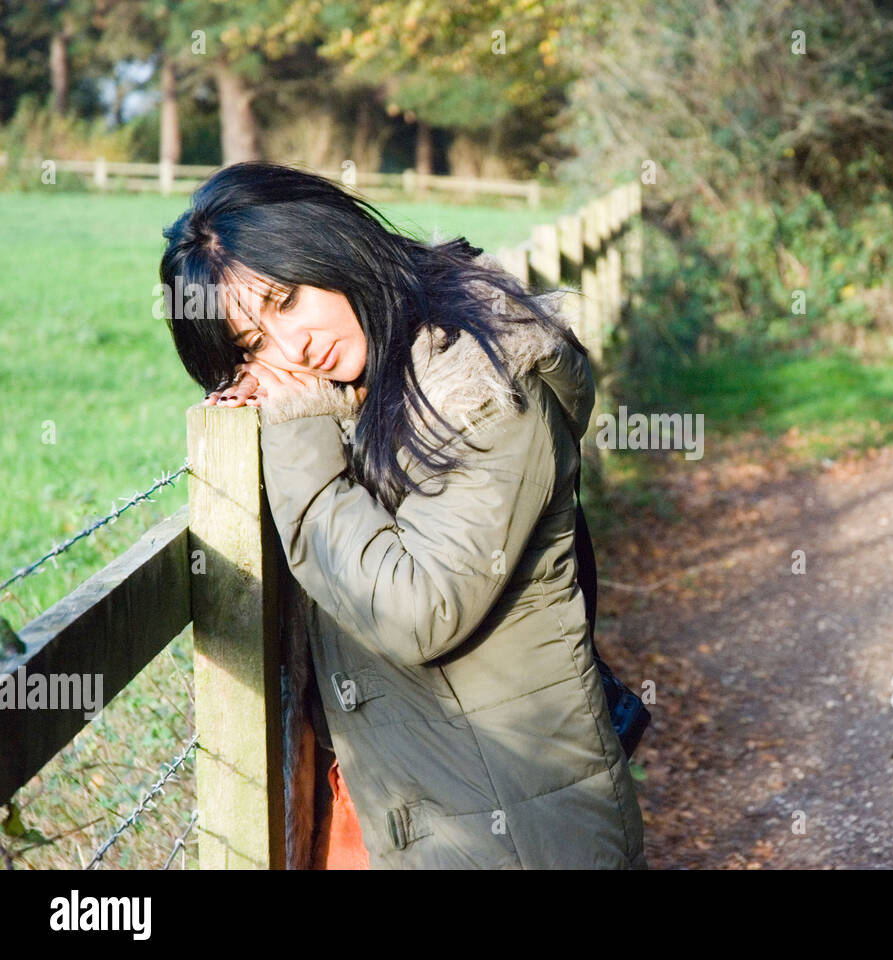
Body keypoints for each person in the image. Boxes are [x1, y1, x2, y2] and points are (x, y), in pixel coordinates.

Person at [159, 161, 648, 869]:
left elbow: (413, 610)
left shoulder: (486, 383)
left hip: (520, 835)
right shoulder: (367, 384)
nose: (292, 351)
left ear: (330, 245)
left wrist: (296, 429)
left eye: (287, 299)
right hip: (422, 817)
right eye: (252, 346)